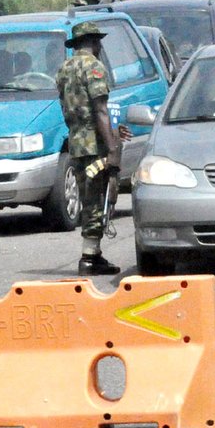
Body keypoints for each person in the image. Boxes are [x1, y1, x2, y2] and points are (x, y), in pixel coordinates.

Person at [55, 22, 129, 275]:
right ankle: (89, 258)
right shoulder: (95, 68)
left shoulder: (63, 70)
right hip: (93, 144)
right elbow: (100, 110)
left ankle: (93, 254)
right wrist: (112, 148)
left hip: (75, 142)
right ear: (94, 43)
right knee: (98, 198)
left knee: (89, 199)